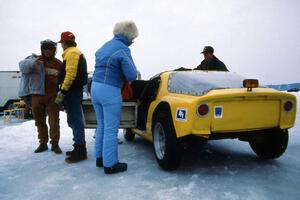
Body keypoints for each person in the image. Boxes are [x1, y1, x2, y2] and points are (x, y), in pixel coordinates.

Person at [91, 21, 138, 174]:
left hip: (95, 87)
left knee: (101, 126)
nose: (132, 42)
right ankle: (110, 164)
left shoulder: (105, 46)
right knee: (111, 129)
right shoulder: (122, 49)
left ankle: (100, 159)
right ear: (128, 35)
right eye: (133, 38)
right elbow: (131, 75)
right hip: (110, 90)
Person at [19, 39, 63, 154]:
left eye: (51, 49)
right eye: (45, 49)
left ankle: (55, 144)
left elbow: (63, 79)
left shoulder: (58, 63)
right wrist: (33, 63)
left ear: (54, 51)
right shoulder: (34, 59)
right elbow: (22, 66)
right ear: (42, 49)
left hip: (52, 96)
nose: (48, 51)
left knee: (54, 121)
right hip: (36, 96)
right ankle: (43, 143)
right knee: (39, 121)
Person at [55, 31, 88, 163]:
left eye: (61, 43)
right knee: (73, 120)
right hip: (72, 92)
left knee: (76, 120)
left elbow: (71, 74)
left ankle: (80, 151)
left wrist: (62, 91)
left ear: (64, 42)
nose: (61, 45)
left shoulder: (72, 52)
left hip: (72, 92)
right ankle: (78, 147)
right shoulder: (72, 52)